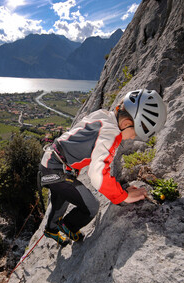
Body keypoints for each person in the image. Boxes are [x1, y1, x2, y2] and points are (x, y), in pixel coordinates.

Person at [39, 89, 167, 246]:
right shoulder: (110, 134)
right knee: (91, 206)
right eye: (136, 133)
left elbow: (79, 135)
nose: (133, 137)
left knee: (62, 198)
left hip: (52, 160)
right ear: (126, 124)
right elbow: (97, 175)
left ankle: (50, 229)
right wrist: (124, 196)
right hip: (57, 168)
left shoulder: (103, 115)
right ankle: (69, 226)